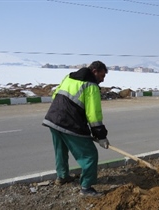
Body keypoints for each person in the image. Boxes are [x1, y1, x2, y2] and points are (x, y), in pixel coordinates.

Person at [42, 60, 110, 197]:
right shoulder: (91, 86)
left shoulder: (69, 76)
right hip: (69, 123)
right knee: (90, 155)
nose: (102, 80)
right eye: (102, 76)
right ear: (94, 71)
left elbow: (56, 95)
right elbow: (93, 114)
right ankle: (86, 188)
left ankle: (62, 177)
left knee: (60, 149)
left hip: (53, 118)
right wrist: (101, 135)